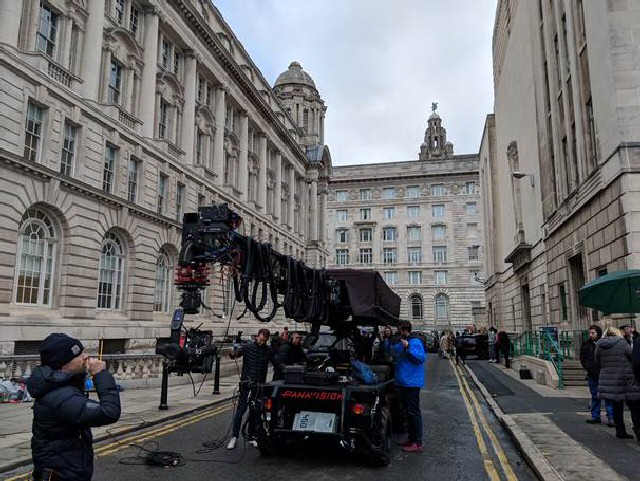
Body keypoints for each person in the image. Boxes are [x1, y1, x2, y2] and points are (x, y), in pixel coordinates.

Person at [27, 333, 121, 481]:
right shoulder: (62, 397)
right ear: (63, 365)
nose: (85, 357)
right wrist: (101, 374)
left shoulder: (61, 387)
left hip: (66, 469)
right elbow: (109, 412)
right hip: (63, 474)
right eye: (78, 355)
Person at [226, 328, 281, 449]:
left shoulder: (268, 350)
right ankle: (234, 437)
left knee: (255, 413)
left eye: (265, 341)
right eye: (261, 340)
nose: (262, 342)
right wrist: (232, 351)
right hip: (246, 384)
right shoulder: (247, 347)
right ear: (257, 337)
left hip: (259, 386)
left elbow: (278, 365)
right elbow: (234, 356)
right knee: (240, 412)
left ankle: (251, 437)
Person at [595, 327, 638, 439]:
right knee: (633, 406)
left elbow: (597, 362)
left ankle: (620, 430)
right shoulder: (623, 344)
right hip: (626, 378)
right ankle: (638, 429)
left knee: (616, 407)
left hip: (609, 379)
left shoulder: (599, 345)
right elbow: (632, 357)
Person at [392, 320, 426, 453]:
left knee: (413, 413)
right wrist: (390, 340)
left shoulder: (415, 342)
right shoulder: (403, 341)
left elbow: (421, 358)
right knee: (407, 413)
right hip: (403, 382)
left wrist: (408, 348)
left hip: (412, 383)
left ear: (405, 329)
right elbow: (394, 352)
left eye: (399, 330)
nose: (398, 332)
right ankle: (411, 438)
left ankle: (417, 442)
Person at [580, 325, 614, 426]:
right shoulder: (586, 344)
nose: (591, 335)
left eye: (593, 333)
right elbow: (583, 357)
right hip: (592, 374)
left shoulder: (603, 343)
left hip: (604, 374)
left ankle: (611, 417)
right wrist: (588, 367)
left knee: (608, 397)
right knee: (595, 396)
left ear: (598, 333)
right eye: (590, 333)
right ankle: (595, 416)